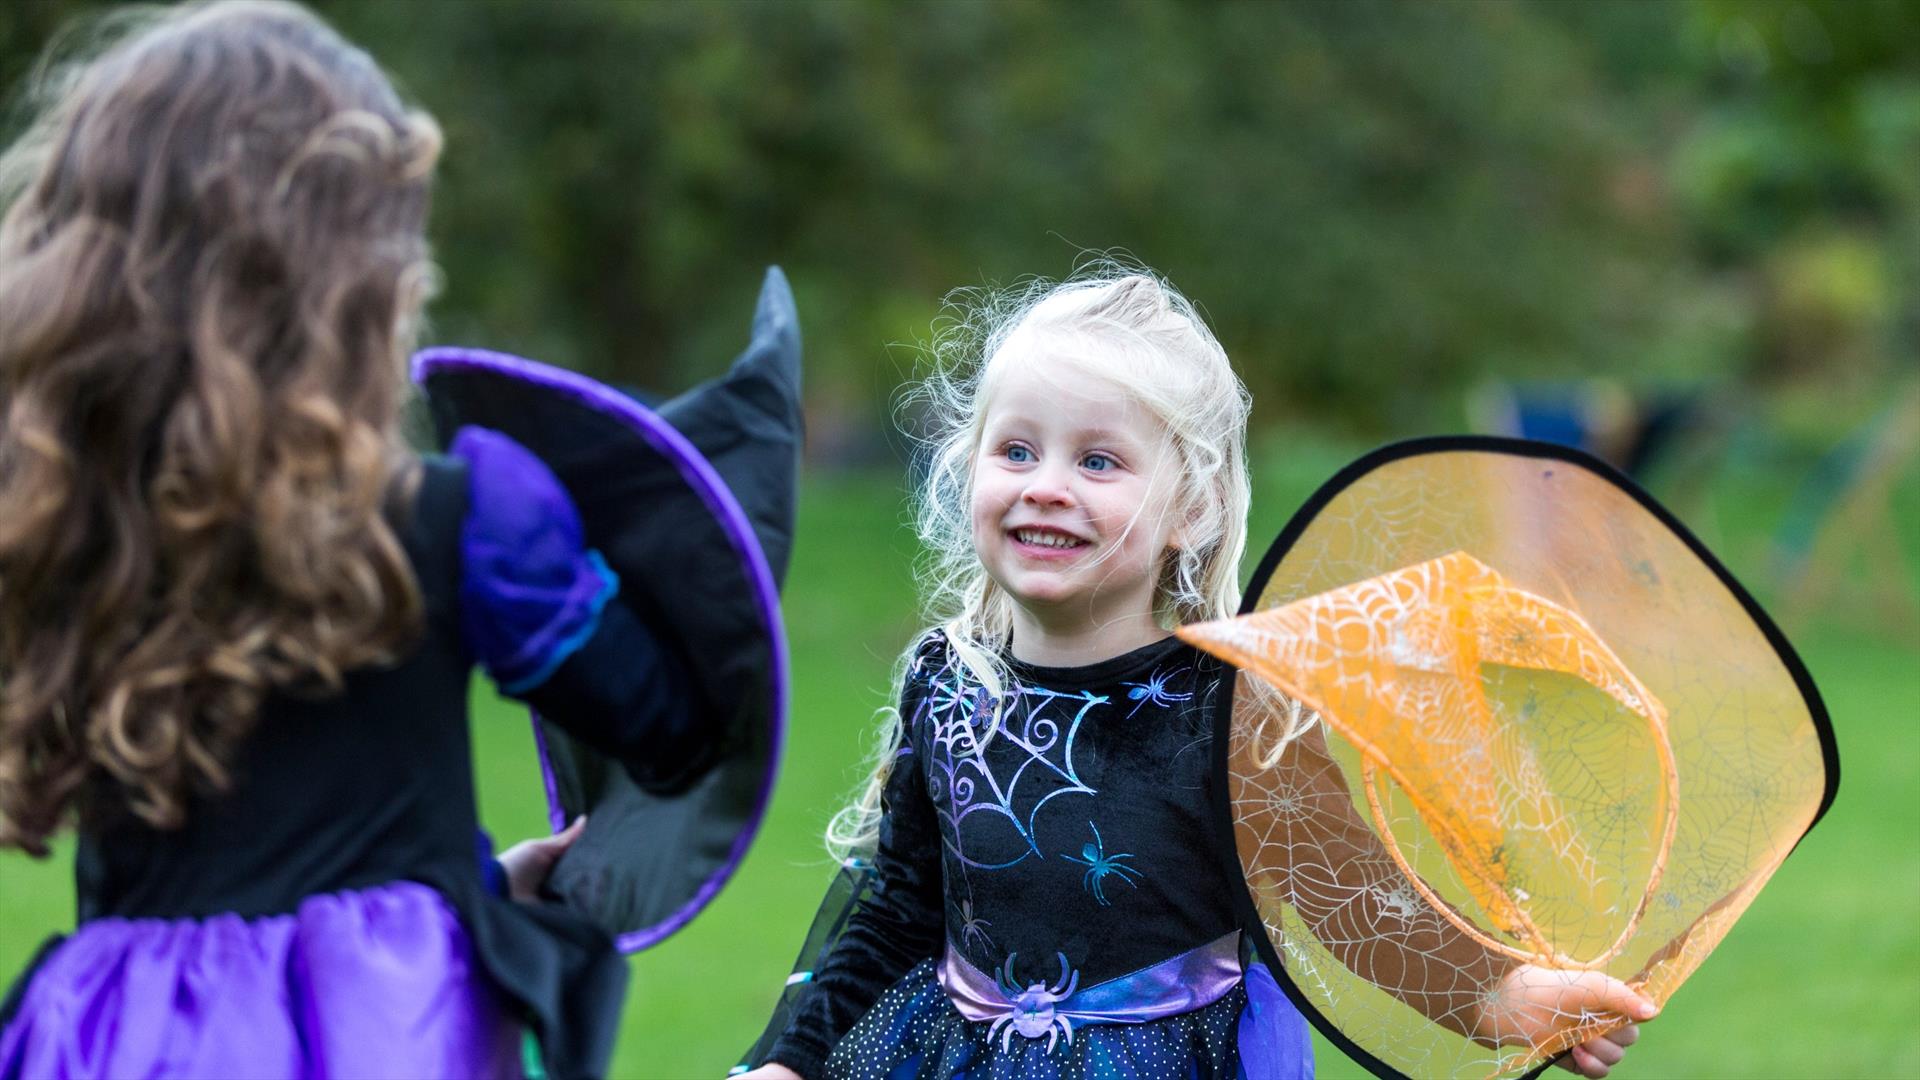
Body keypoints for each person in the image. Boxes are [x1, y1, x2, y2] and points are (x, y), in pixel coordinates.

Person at [0, 4, 721, 1076]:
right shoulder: (459, 519)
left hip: (114, 1029)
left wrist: (464, 877)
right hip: (377, 1026)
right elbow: (669, 728)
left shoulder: (64, 531)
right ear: (350, 277)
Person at [739, 269, 1652, 1079]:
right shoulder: (947, 680)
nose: (1046, 484)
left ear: (1194, 509)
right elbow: (897, 908)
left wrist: (1502, 998)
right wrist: (788, 1061)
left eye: (1098, 461)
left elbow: (1354, 902)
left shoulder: (1227, 708)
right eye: (1016, 450)